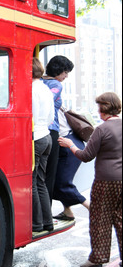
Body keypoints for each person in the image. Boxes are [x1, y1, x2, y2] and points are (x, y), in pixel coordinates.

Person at [58, 92, 122, 267]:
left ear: (103, 109)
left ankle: (98, 259)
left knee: (100, 219)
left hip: (105, 180)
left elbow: (86, 156)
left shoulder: (102, 129)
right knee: (120, 218)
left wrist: (70, 145)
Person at [42, 55, 74, 203]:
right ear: (58, 70)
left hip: (37, 130)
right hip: (51, 130)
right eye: (65, 72)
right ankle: (47, 213)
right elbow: (47, 99)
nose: (66, 76)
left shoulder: (38, 81)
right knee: (50, 174)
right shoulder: (56, 84)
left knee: (39, 174)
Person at [52, 108, 90, 221]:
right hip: (71, 141)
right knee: (57, 181)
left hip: (67, 145)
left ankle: (91, 207)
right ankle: (67, 211)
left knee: (62, 183)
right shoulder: (56, 103)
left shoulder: (51, 105)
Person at [32, 57, 55, 233]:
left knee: (32, 183)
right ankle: (48, 222)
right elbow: (50, 118)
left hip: (36, 137)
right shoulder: (46, 89)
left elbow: (31, 117)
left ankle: (37, 223)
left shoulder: (31, 89)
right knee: (41, 182)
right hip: (47, 136)